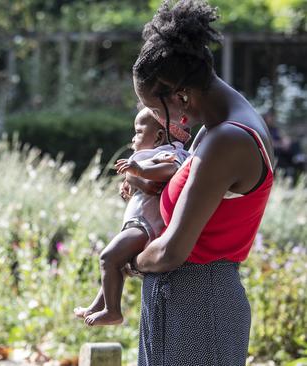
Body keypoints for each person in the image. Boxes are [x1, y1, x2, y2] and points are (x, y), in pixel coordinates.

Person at [129, 1, 274, 365]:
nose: (166, 123)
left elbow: (171, 251)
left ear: (177, 92)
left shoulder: (229, 139)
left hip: (199, 309)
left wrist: (126, 262)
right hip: (184, 304)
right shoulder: (216, 130)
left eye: (156, 110)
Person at [73, 107, 190, 326]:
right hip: (138, 223)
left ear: (158, 136)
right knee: (117, 263)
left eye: (137, 132)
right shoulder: (151, 155)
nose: (133, 138)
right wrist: (132, 180)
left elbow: (171, 170)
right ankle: (100, 304)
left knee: (108, 258)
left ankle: (112, 311)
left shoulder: (169, 152)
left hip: (146, 226)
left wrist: (138, 172)